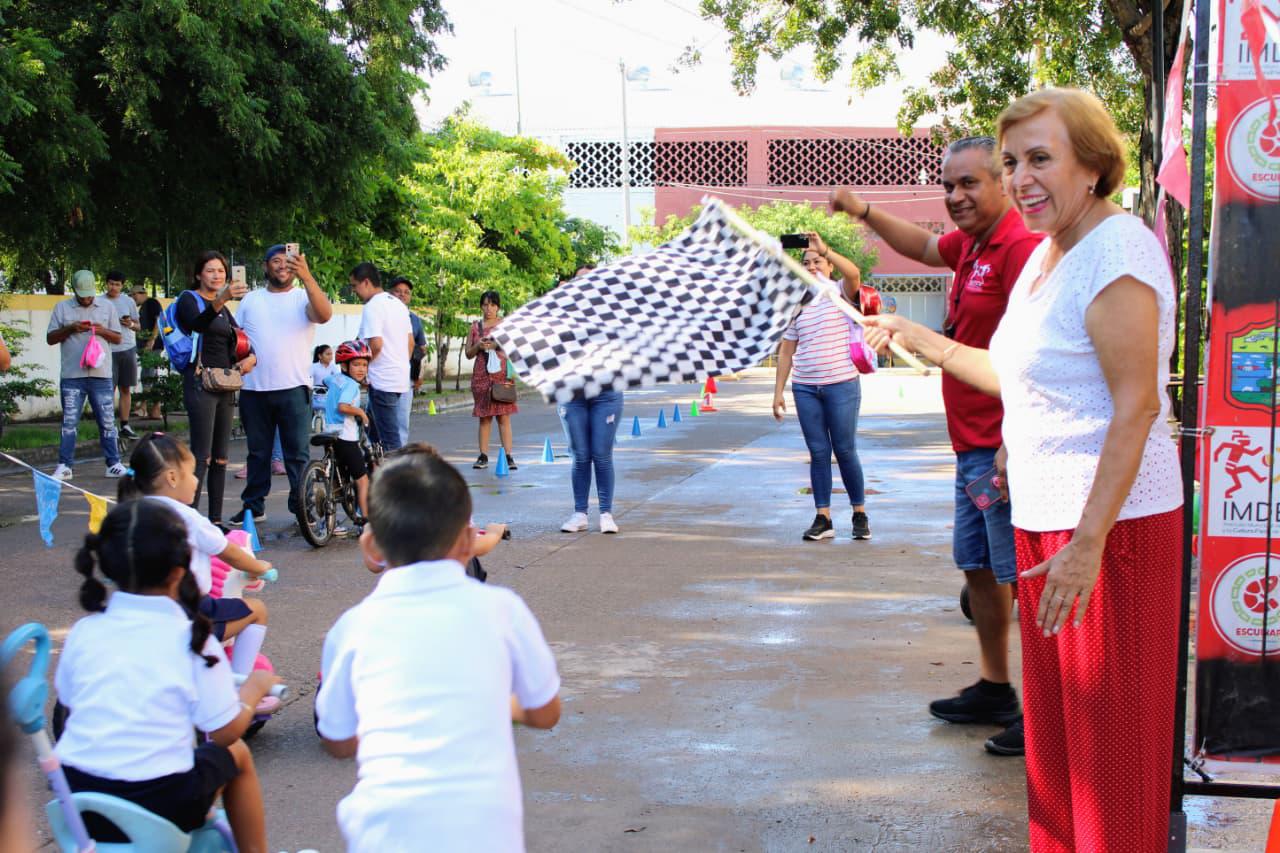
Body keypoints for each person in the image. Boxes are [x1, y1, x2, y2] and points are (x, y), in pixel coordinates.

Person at [863, 88, 1182, 853]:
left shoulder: (1117, 249)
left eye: (1041, 157)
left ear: (1093, 163)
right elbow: (1013, 372)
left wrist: (1090, 542)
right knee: (1057, 760)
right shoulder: (1047, 255)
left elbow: (1136, 405)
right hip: (1047, 526)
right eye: (1013, 162)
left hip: (1109, 534)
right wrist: (918, 336)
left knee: (1111, 762)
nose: (1023, 176)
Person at [832, 136, 1041, 757]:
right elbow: (922, 246)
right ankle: (995, 686)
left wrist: (1012, 437)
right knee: (978, 568)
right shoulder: (975, 246)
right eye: (947, 185)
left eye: (969, 183)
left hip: (1006, 446)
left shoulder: (1020, 247)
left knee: (1022, 577)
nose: (954, 197)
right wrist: (863, 211)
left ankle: (1046, 711)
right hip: (971, 444)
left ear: (1003, 182)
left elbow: (1035, 355)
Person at [315, 449, 561, 852]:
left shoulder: (353, 628)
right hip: (486, 833)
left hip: (385, 835)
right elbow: (546, 712)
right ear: (469, 539)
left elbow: (338, 740)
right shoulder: (502, 610)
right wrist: (501, 704)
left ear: (372, 545)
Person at [54, 499, 279, 852]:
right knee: (236, 754)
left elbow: (69, 707)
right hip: (158, 802)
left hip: (78, 798)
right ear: (181, 570)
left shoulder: (83, 631)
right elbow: (223, 731)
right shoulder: (193, 636)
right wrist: (253, 689)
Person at [119, 432, 272, 646]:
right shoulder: (187, 517)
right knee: (257, 610)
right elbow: (230, 553)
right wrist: (259, 568)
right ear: (172, 478)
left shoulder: (130, 512)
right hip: (190, 609)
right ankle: (242, 677)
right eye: (191, 473)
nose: (196, 480)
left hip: (139, 606)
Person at [771, 237, 871, 542]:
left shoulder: (840, 292)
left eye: (817, 262)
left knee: (844, 450)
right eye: (807, 263)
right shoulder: (797, 302)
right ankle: (823, 517)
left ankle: (859, 513)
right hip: (805, 388)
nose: (812, 267)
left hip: (841, 383)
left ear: (828, 265)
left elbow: (853, 274)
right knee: (817, 452)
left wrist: (825, 248)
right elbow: (787, 351)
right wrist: (778, 392)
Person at [232, 244, 333, 526]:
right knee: (258, 452)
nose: (281, 266)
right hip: (254, 389)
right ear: (265, 266)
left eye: (287, 262)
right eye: (275, 261)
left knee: (297, 453)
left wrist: (308, 276)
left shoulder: (303, 296)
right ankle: (253, 506)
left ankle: (302, 505)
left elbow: (324, 315)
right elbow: (237, 339)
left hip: (294, 388)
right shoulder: (251, 299)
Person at [175, 251, 257, 526]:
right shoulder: (189, 299)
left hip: (224, 383)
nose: (217, 275)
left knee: (221, 458)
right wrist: (222, 298)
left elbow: (238, 341)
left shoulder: (224, 310)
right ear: (199, 274)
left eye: (221, 271)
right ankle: (189, 521)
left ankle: (215, 521)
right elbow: (195, 324)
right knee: (202, 455)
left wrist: (251, 357)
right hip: (201, 382)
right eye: (210, 270)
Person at [45, 269, 127, 481]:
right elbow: (51, 338)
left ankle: (113, 463)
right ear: (74, 291)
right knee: (70, 422)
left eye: (90, 295)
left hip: (101, 375)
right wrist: (71, 328)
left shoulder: (107, 307)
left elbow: (118, 338)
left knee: (107, 421)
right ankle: (64, 465)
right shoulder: (62, 308)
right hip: (72, 375)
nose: (87, 299)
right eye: (83, 295)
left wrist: (101, 331)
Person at [352, 263, 412, 453]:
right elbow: (410, 343)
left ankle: (397, 481)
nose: (354, 291)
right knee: (371, 429)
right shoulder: (398, 304)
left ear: (366, 282)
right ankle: (374, 473)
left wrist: (362, 371)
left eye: (355, 286)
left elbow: (375, 345)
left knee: (390, 443)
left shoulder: (373, 306)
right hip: (398, 379)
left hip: (382, 382)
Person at [465, 290, 518, 471]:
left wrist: (496, 345)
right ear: (481, 306)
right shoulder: (474, 327)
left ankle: (508, 456)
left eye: (493, 305)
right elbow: (468, 354)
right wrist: (479, 346)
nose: (489, 309)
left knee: (503, 416)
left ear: (498, 307)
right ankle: (483, 455)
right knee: (484, 417)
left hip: (501, 375)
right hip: (481, 376)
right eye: (486, 304)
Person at [322, 340, 373, 522]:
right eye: (356, 364)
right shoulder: (352, 386)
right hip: (345, 436)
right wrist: (361, 413)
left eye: (365, 365)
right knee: (362, 479)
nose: (361, 369)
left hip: (328, 433)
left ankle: (331, 522)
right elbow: (343, 406)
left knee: (337, 479)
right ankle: (365, 519)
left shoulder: (335, 378)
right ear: (344, 365)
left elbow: (325, 380)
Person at [389, 275, 428, 446]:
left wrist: (419, 375)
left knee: (402, 420)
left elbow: (422, 349)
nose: (402, 295)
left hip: (406, 378)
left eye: (406, 292)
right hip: (384, 375)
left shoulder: (414, 320)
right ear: (389, 294)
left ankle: (399, 456)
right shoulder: (381, 315)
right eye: (398, 291)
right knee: (379, 420)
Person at [102, 271, 141, 439]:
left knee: (126, 388)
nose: (114, 287)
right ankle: (108, 426)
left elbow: (139, 326)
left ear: (122, 286)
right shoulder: (99, 301)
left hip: (127, 348)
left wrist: (130, 323)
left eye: (117, 284)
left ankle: (125, 425)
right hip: (107, 350)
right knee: (108, 389)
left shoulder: (128, 301)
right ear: (106, 284)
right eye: (111, 283)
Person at [130, 282, 164, 420]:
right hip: (146, 346)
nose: (133, 298)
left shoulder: (151, 303)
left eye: (134, 295)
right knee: (152, 376)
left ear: (143, 294)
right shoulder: (143, 307)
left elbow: (159, 320)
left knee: (147, 375)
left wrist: (151, 340)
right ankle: (155, 411)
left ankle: (143, 407)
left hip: (152, 346)